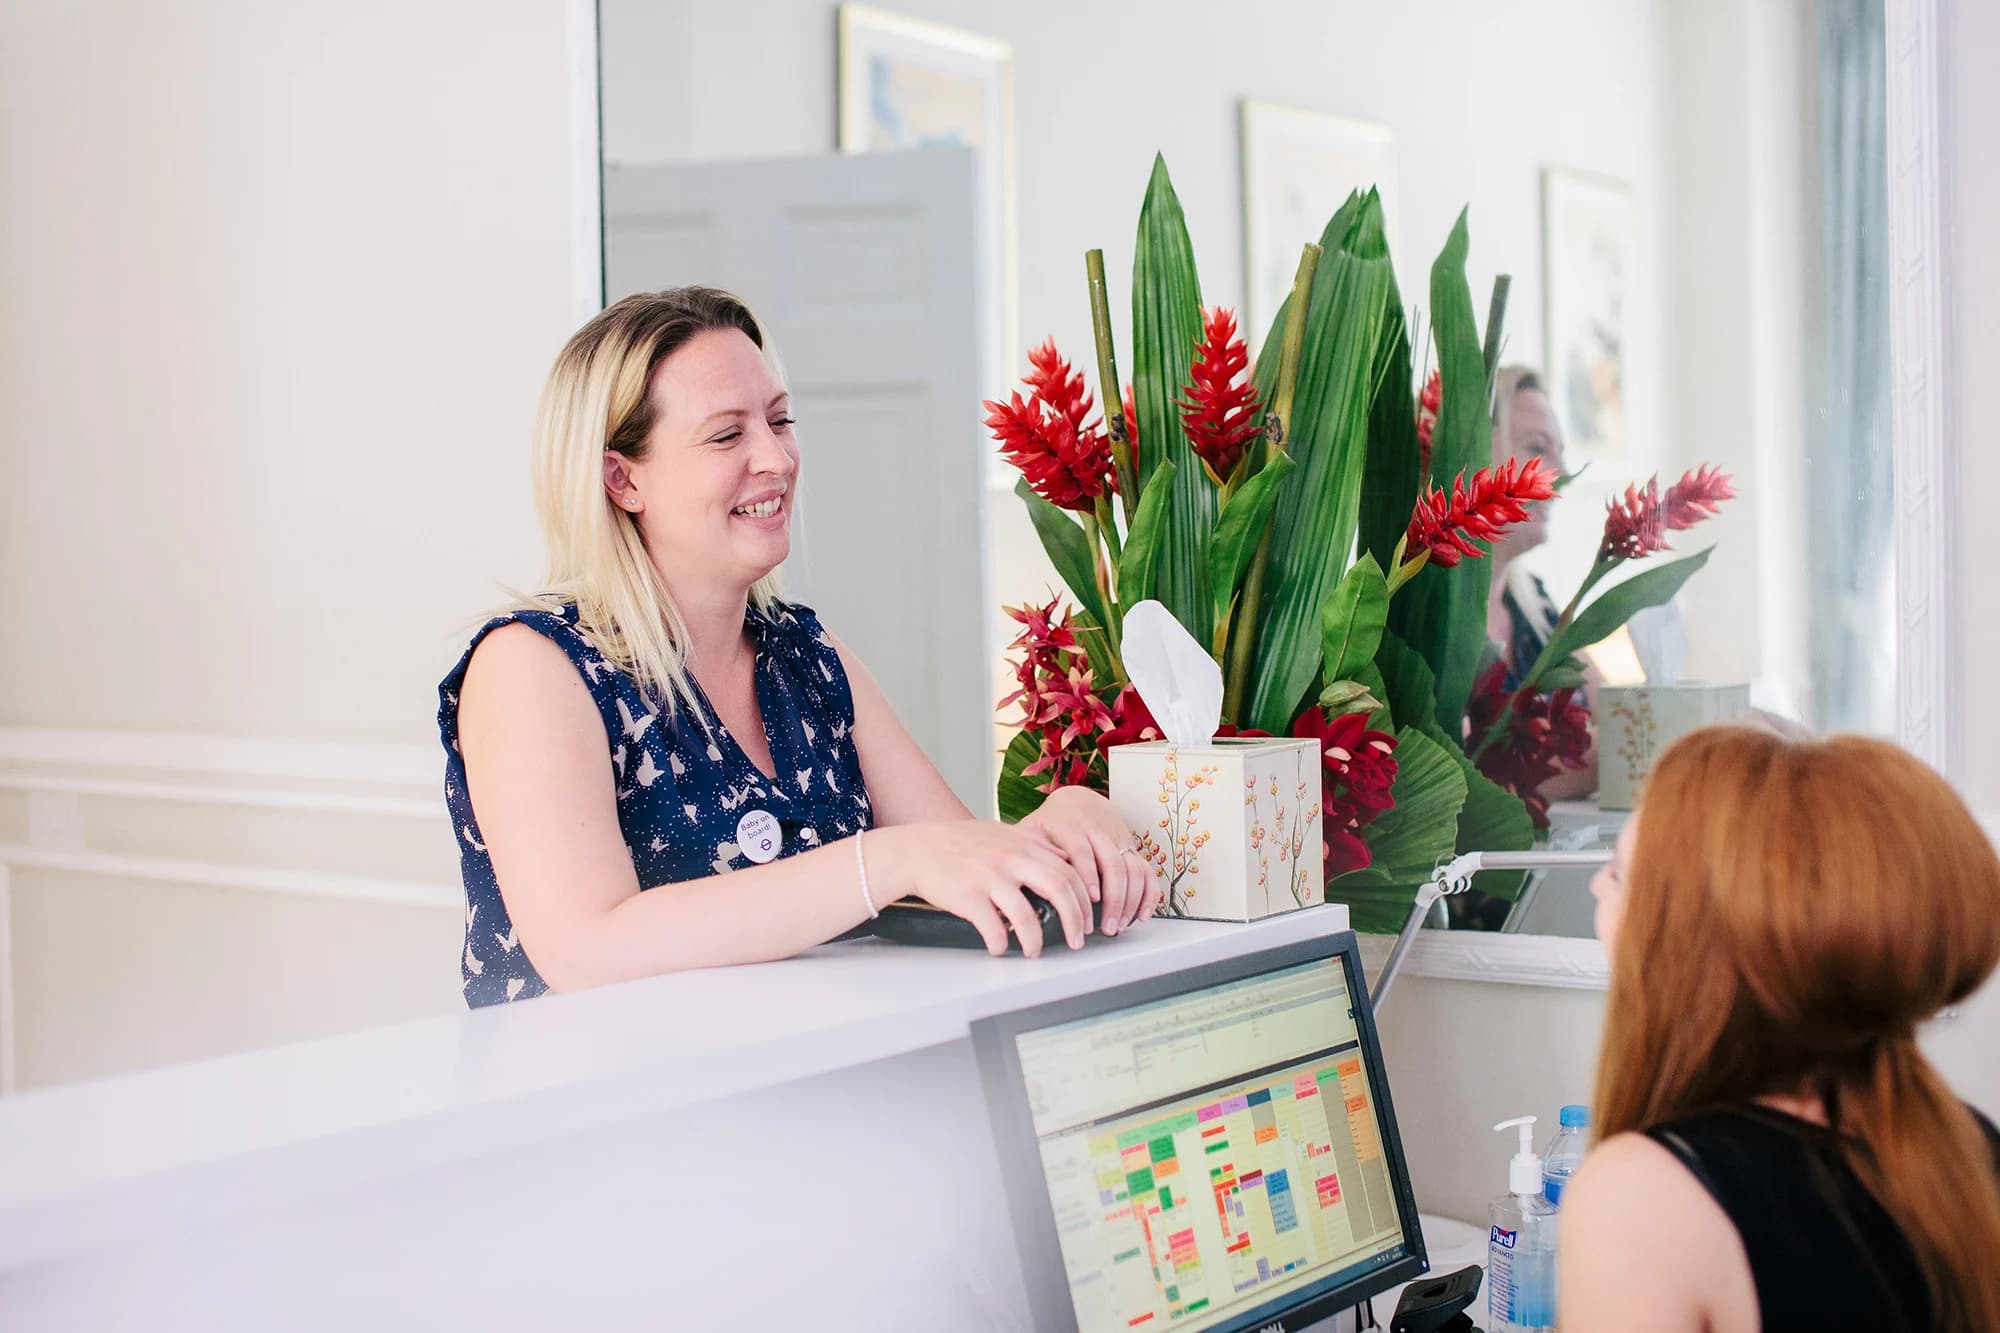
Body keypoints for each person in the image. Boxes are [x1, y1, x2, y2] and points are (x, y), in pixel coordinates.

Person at [438, 288, 1158, 1008]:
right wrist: (883, 862)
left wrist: (1065, 819)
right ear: (621, 478)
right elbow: (586, 947)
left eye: (780, 421)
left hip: (808, 1097)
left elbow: (956, 861)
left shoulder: (808, 657)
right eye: (727, 436)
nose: (776, 458)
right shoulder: (531, 667)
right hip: (610, 1111)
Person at [1560, 726, 2000, 1331]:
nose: (1595, 886)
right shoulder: (1969, 1146)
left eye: (1619, 873)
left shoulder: (1645, 1200)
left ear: (1688, 939)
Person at [1485, 365, 1597, 801]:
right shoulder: (1428, 621)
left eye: (1561, 452)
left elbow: (1627, 712)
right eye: (1538, 448)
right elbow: (1487, 774)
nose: (1561, 472)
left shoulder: (1534, 603)